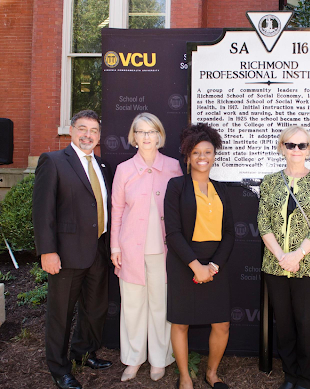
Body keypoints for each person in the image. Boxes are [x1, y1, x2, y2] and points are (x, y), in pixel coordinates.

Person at [32, 110, 112, 389]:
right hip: (65, 255)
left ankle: (84, 353)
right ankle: (59, 367)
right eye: (82, 128)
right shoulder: (53, 161)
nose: (87, 134)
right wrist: (47, 251)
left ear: (99, 137)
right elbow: (43, 211)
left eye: (93, 130)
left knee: (94, 309)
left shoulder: (102, 167)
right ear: (71, 130)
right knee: (60, 315)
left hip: (99, 252)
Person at [110, 113, 183, 382]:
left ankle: (160, 359)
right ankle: (133, 359)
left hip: (164, 252)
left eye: (151, 131)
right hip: (131, 251)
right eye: (141, 132)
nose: (146, 137)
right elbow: (116, 211)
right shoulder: (124, 170)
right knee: (132, 306)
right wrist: (115, 247)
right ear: (134, 137)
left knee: (161, 307)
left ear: (160, 136)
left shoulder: (174, 167)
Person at [257, 125, 310, 389]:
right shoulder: (270, 181)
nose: (296, 150)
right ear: (282, 148)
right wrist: (281, 256)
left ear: (309, 149)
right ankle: (290, 375)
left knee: (308, 326)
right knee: (285, 326)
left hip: (308, 266)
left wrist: (297, 255)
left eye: (302, 145)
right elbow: (263, 223)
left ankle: (306, 378)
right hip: (276, 267)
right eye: (290, 145)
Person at [164, 123, 235, 389]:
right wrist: (196, 266)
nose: (202, 157)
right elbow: (172, 233)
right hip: (185, 261)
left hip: (217, 262)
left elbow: (229, 232)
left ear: (214, 155)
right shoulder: (176, 186)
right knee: (181, 323)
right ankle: (185, 377)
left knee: (222, 324)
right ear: (187, 156)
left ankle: (212, 374)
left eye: (207, 151)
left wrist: (213, 265)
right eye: (196, 152)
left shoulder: (223, 190)